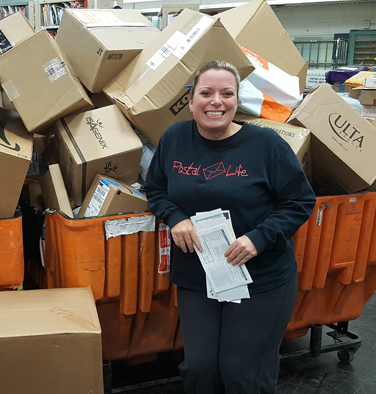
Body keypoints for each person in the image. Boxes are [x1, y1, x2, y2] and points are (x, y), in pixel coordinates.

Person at [143, 60, 316, 394]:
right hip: (199, 274)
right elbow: (156, 190)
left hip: (260, 277)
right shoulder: (175, 138)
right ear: (191, 100)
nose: (216, 101)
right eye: (206, 93)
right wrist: (175, 217)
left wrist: (259, 238)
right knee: (199, 369)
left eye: (227, 93)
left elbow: (299, 201)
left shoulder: (267, 145)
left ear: (237, 101)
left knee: (242, 374)